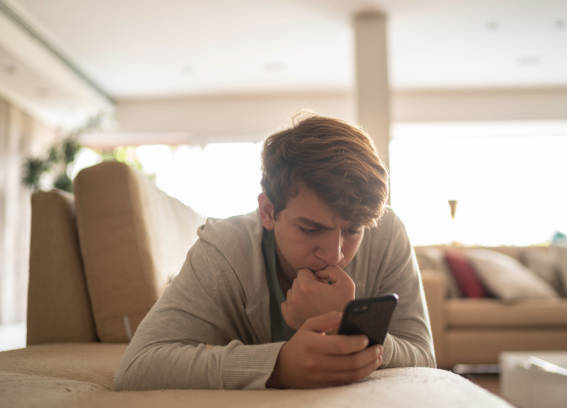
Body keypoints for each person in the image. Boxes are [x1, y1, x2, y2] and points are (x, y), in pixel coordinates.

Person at [113, 114, 435, 391]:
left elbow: (424, 355)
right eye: (310, 229)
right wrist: (279, 366)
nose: (335, 255)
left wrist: (354, 326)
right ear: (268, 211)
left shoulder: (386, 231)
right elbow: (137, 367)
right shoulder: (224, 249)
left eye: (352, 231)